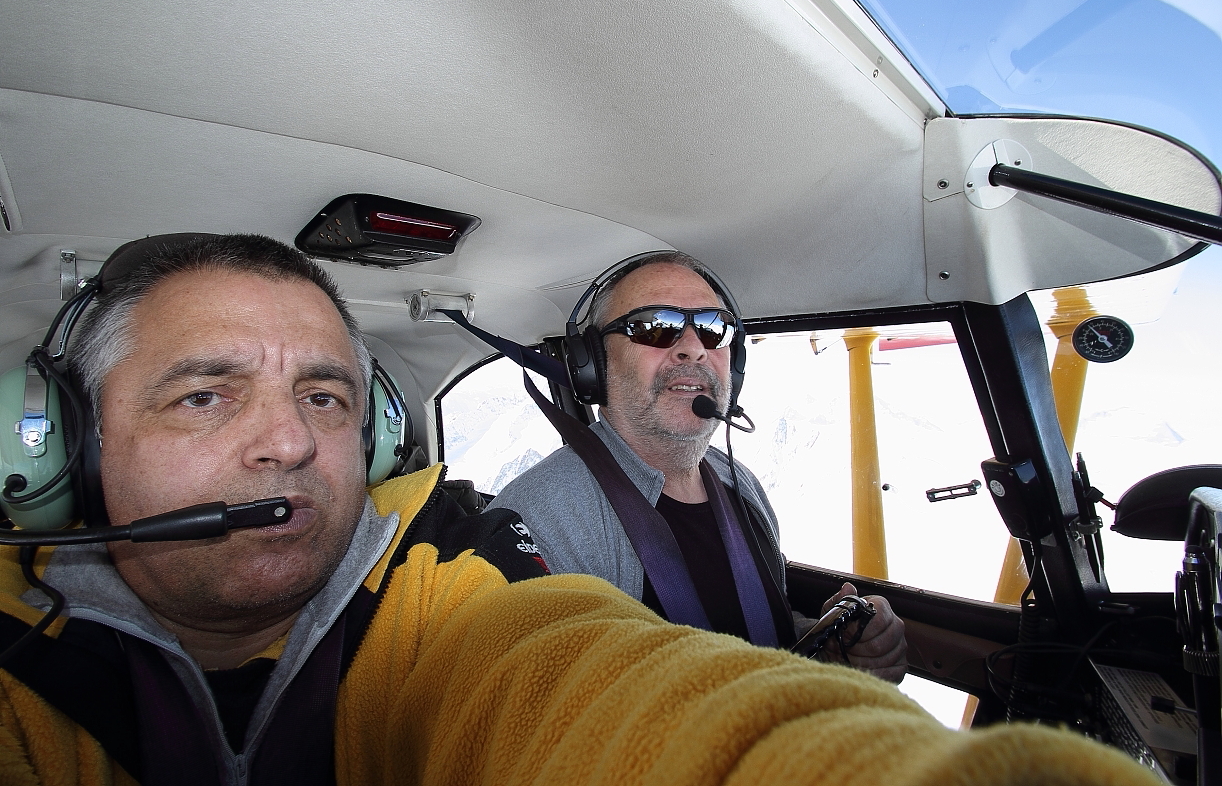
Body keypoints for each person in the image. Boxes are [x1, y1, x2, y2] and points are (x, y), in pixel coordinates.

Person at [0, 234, 1161, 786]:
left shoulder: (741, 491)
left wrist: (847, 671)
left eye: (323, 394)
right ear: (68, 442)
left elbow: (648, 697)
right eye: (206, 392)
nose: (290, 439)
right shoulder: (534, 523)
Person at [491, 251, 908, 681]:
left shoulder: (740, 483)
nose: (693, 348)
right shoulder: (541, 518)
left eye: (713, 329)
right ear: (593, 364)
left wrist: (828, 649)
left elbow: (756, 637)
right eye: (655, 326)